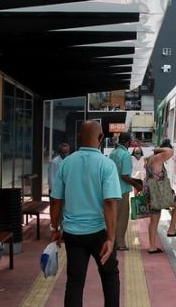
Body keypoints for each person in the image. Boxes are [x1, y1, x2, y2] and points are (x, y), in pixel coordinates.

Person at [50, 121, 122, 307]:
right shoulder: (107, 165)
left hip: (73, 234)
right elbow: (110, 202)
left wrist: (55, 228)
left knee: (74, 281)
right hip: (100, 233)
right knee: (110, 277)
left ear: (79, 138)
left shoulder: (66, 164)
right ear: (101, 139)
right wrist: (111, 239)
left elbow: (56, 201)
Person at [143, 139, 176, 254]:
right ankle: (171, 229)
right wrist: (158, 149)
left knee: (154, 220)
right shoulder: (158, 157)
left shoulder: (150, 159)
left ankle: (152, 247)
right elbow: (170, 151)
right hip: (158, 193)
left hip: (151, 192)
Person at [109, 133, 142, 251]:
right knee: (122, 218)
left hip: (111, 190)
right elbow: (125, 176)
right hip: (122, 190)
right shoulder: (126, 155)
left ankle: (111, 242)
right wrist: (137, 185)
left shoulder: (113, 153)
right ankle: (120, 243)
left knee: (113, 217)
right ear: (128, 142)